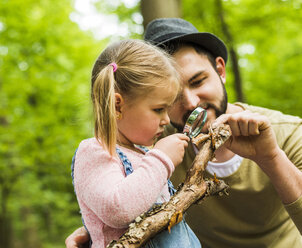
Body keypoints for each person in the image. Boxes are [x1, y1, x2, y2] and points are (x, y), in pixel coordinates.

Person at [66, 19, 302, 248]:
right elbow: (119, 196)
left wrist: (271, 157)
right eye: (172, 99)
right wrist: (92, 230)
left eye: (198, 81)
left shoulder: (286, 132)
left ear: (220, 70)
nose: (191, 102)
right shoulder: (159, 143)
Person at [71, 39, 202, 248]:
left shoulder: (142, 152)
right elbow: (117, 209)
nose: (166, 120)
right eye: (158, 109)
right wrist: (161, 159)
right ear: (117, 106)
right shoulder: (94, 152)